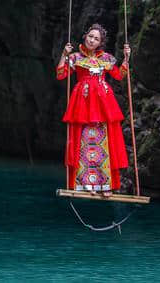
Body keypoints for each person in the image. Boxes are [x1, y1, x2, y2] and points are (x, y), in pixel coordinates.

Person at [56, 24, 131, 196]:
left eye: (96, 39)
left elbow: (119, 75)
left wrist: (126, 59)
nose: (92, 40)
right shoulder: (75, 57)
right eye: (90, 36)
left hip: (103, 103)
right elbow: (61, 74)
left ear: (100, 43)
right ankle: (84, 185)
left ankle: (105, 186)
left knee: (104, 141)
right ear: (85, 36)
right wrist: (64, 54)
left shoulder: (107, 58)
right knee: (84, 141)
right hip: (83, 101)